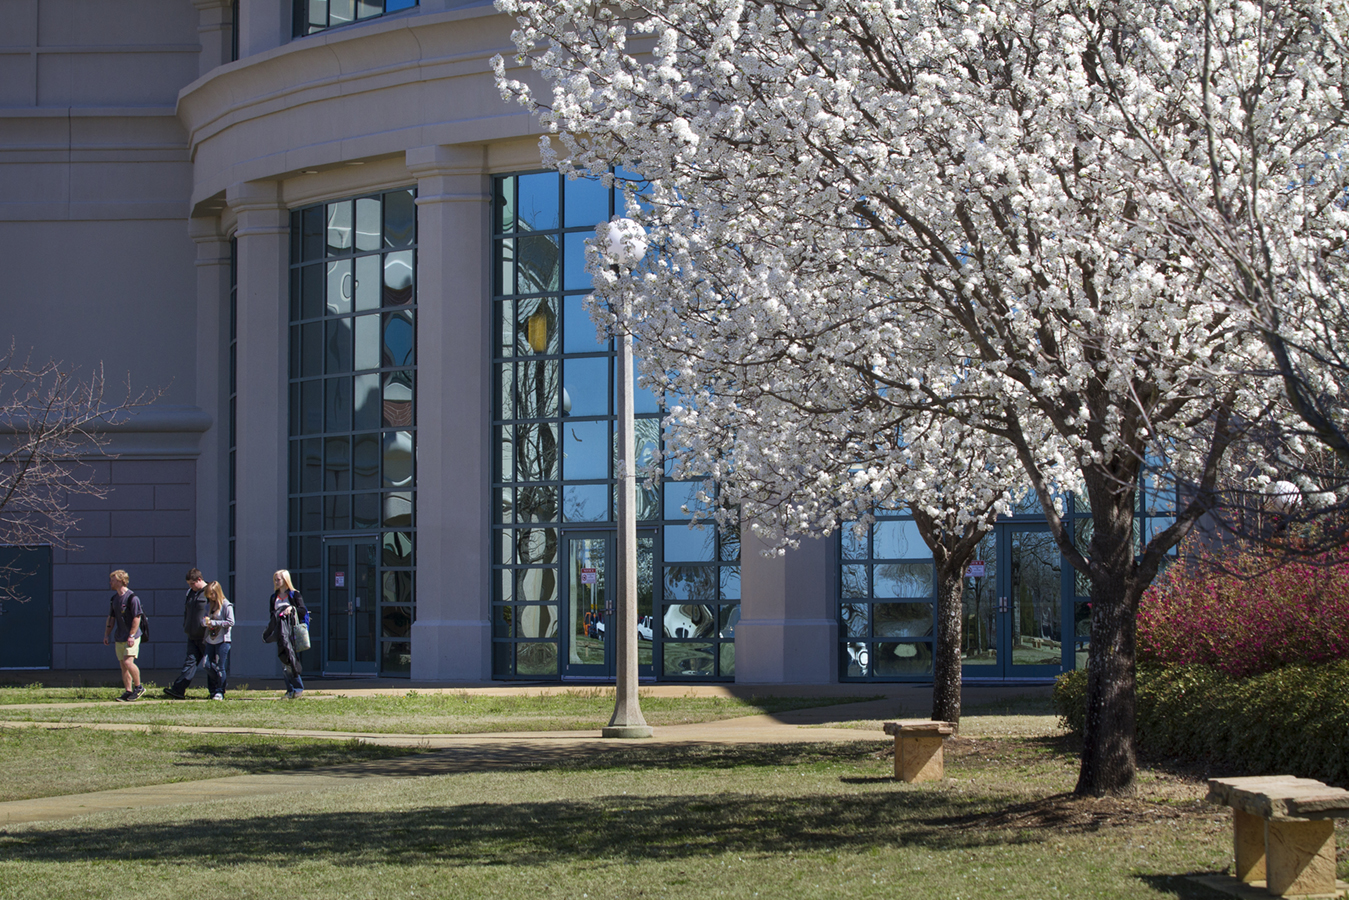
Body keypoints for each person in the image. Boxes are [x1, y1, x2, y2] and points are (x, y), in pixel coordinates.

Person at [164, 568, 210, 699]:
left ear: (199, 580)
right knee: (189, 662)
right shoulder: (190, 593)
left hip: (205, 636)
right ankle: (178, 690)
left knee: (210, 665)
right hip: (192, 634)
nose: (191, 586)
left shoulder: (209, 591)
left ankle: (216, 691)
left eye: (192, 583)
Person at [102, 570, 145, 701]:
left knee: (128, 661)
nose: (110, 582)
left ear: (121, 581)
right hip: (119, 636)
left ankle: (139, 687)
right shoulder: (114, 599)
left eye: (113, 580)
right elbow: (111, 618)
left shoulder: (132, 598)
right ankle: (128, 690)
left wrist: (131, 635)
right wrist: (106, 634)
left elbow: (137, 618)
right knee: (123, 665)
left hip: (132, 636)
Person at [264, 569, 307, 699]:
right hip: (280, 632)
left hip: (292, 631)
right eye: (275, 580)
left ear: (285, 580)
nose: (276, 582)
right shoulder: (273, 597)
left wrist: (291, 609)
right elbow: (272, 614)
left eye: (279, 579)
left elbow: (302, 611)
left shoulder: (294, 595)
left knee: (291, 659)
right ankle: (290, 689)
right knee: (284, 661)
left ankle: (297, 688)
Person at [202, 581, 234, 701]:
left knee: (221, 666)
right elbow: (204, 618)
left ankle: (219, 691)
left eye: (212, 595)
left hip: (223, 640)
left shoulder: (226, 605)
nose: (210, 598)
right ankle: (215, 686)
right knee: (206, 664)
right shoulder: (209, 606)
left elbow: (231, 622)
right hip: (210, 639)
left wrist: (215, 622)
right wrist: (204, 622)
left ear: (217, 593)